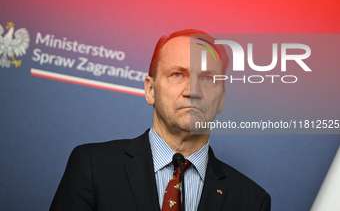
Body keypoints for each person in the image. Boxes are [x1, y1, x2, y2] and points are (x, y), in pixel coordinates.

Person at [50, 29, 271, 211]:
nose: (193, 90)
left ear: (221, 99)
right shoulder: (92, 167)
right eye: (178, 74)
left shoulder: (252, 201)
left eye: (206, 78)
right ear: (150, 90)